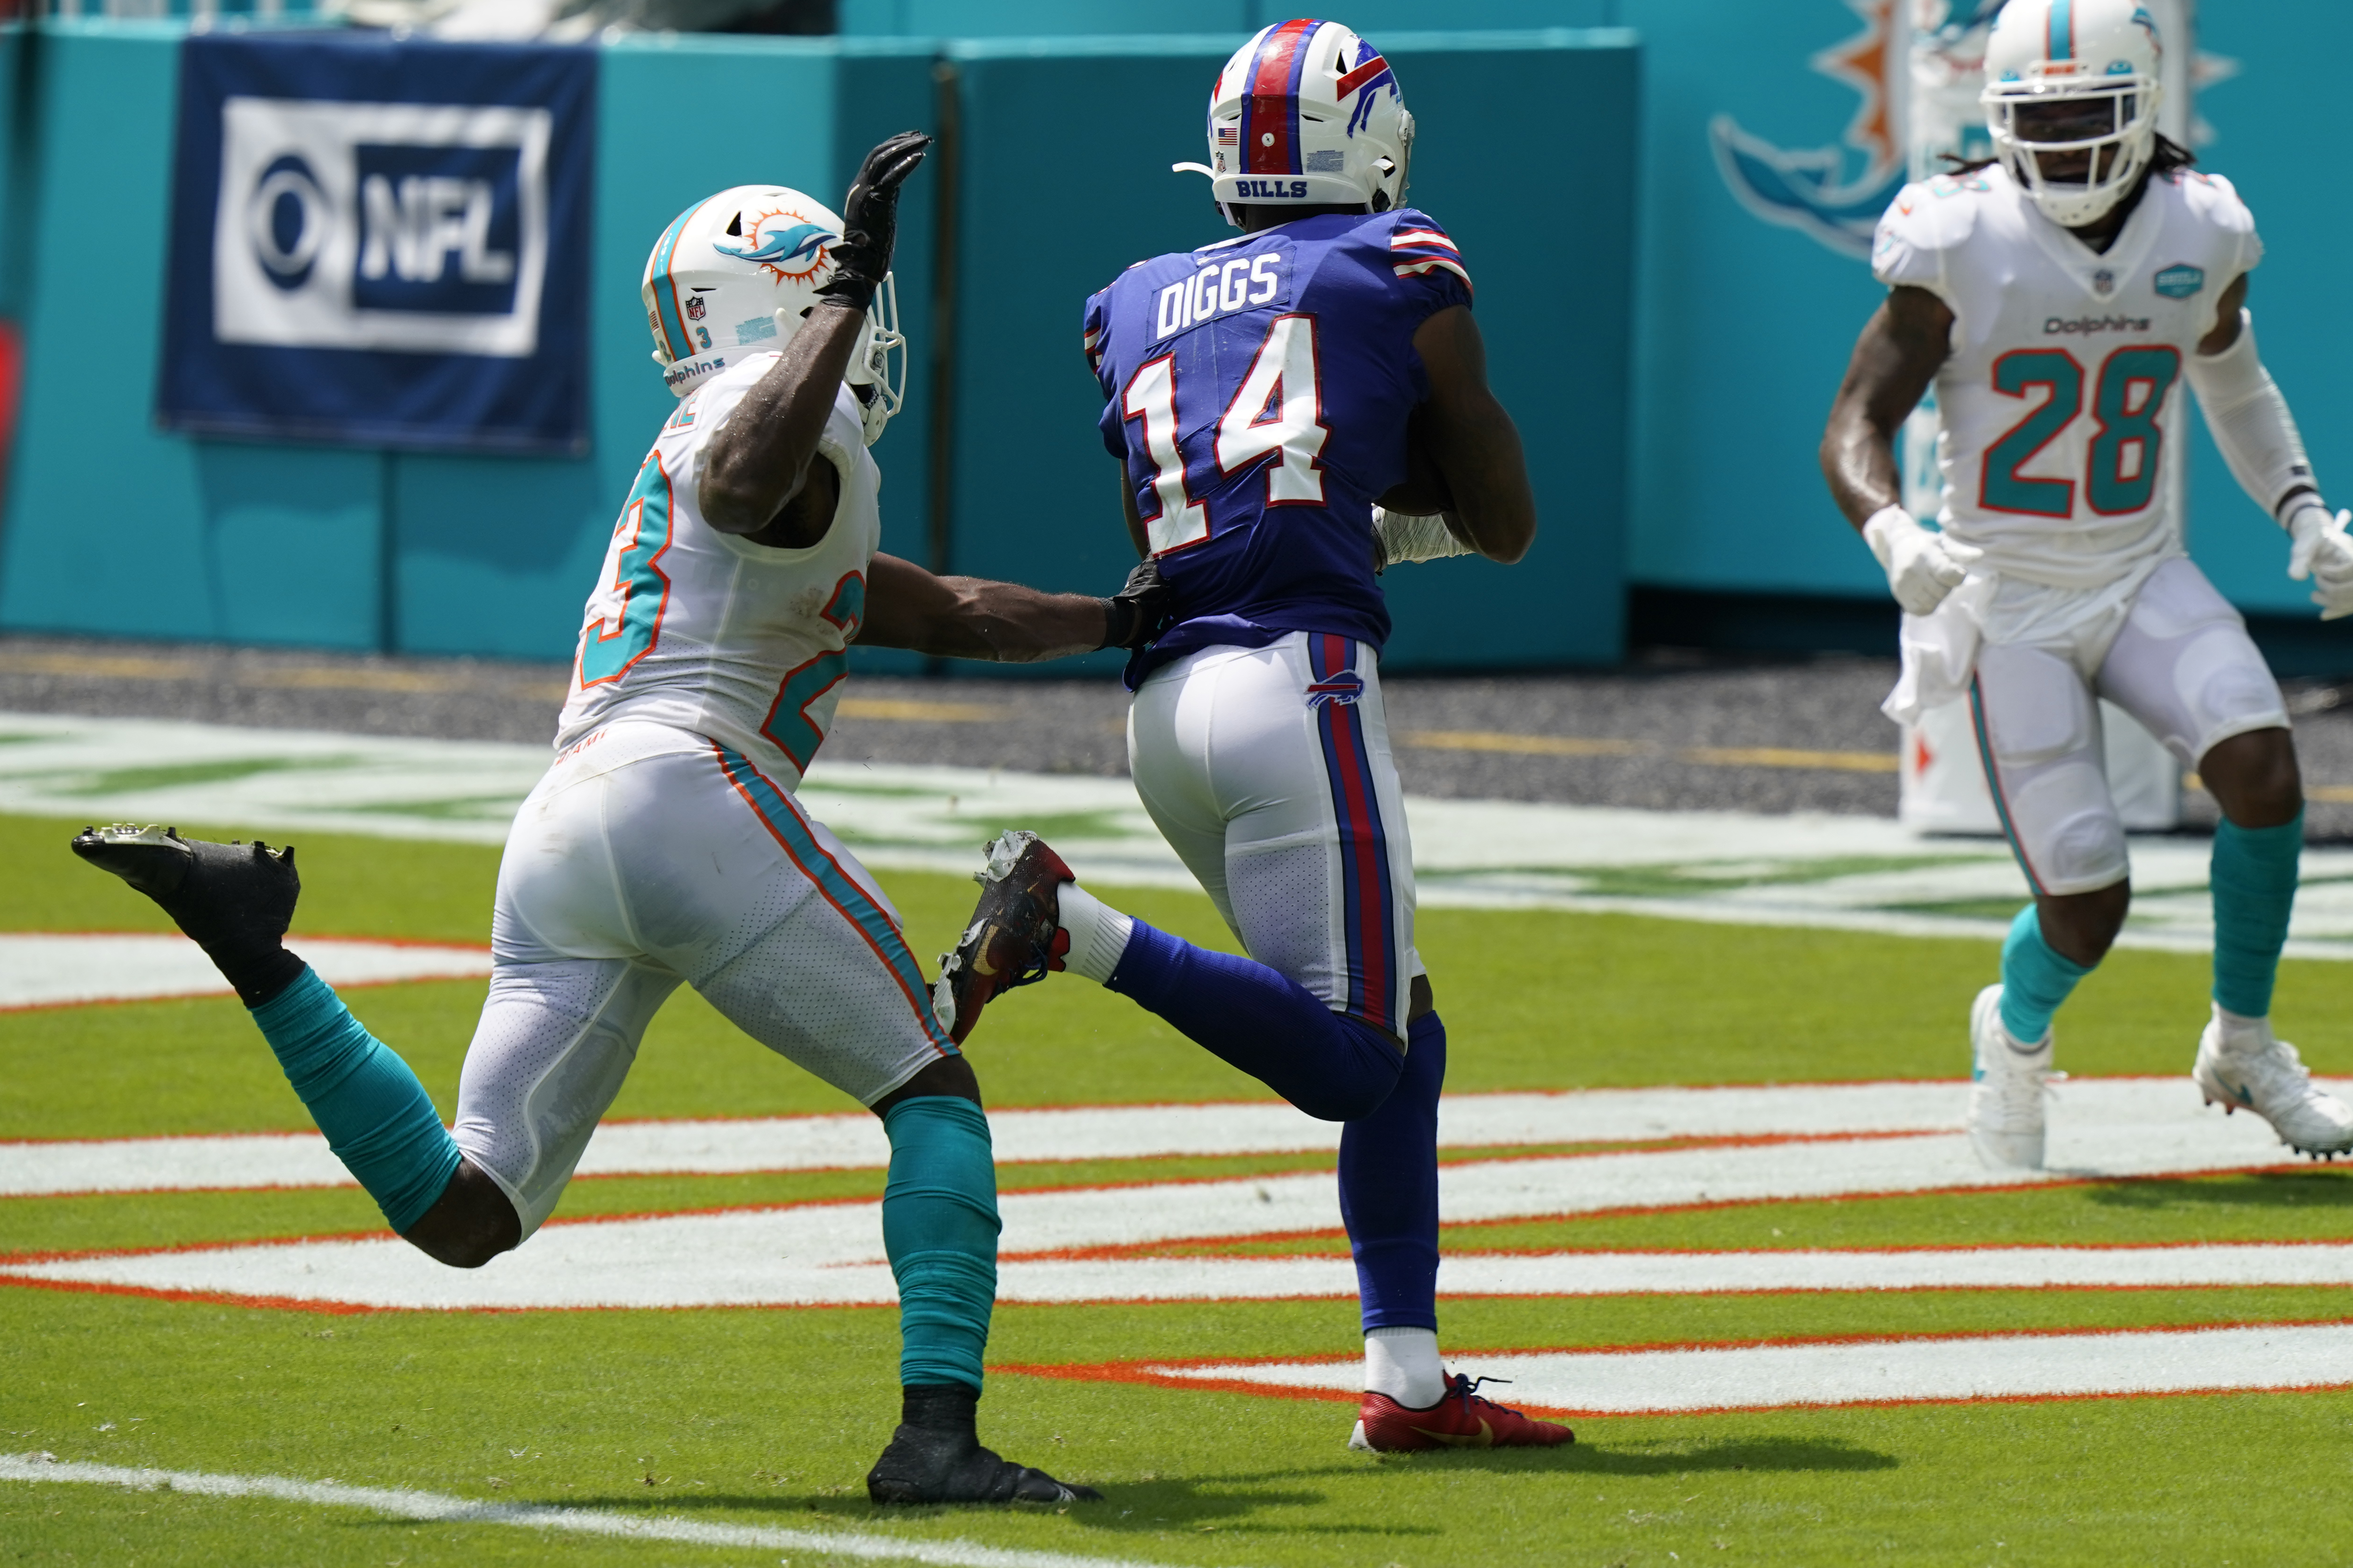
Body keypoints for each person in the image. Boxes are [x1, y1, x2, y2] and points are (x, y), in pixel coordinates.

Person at [71, 133, 1163, 1505]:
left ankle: (257, 954)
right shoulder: (770, 429)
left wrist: (1125, 617)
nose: (862, 313)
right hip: (686, 792)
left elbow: (945, 610)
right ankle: (935, 1440)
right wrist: (843, 294)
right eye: (834, 288)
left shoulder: (756, 450)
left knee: (470, 1213)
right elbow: (743, 484)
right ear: (785, 299)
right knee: (932, 1089)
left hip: (569, 826)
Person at [927, 20, 1569, 1454]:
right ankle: (1071, 930)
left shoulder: (1132, 299)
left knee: (1404, 1026)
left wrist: (1346, 508)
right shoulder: (1398, 264)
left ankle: (1406, 1382)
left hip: (1164, 710)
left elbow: (1216, 513)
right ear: (1377, 147)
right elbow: (1509, 525)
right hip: (1298, 688)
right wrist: (1391, 495)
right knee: (1354, 1055)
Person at [1819, 0, 2353, 1169]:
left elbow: (2236, 385)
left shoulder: (2198, 225)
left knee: (2265, 775)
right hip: (2009, 598)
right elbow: (1857, 421)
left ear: (2142, 109)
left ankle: (2245, 1041)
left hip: (2137, 568)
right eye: (2036, 121)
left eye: (2085, 117)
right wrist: (1892, 531)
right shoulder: (1957, 233)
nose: (2059, 145)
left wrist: (2305, 512)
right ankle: (2011, 1034)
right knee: (2087, 903)